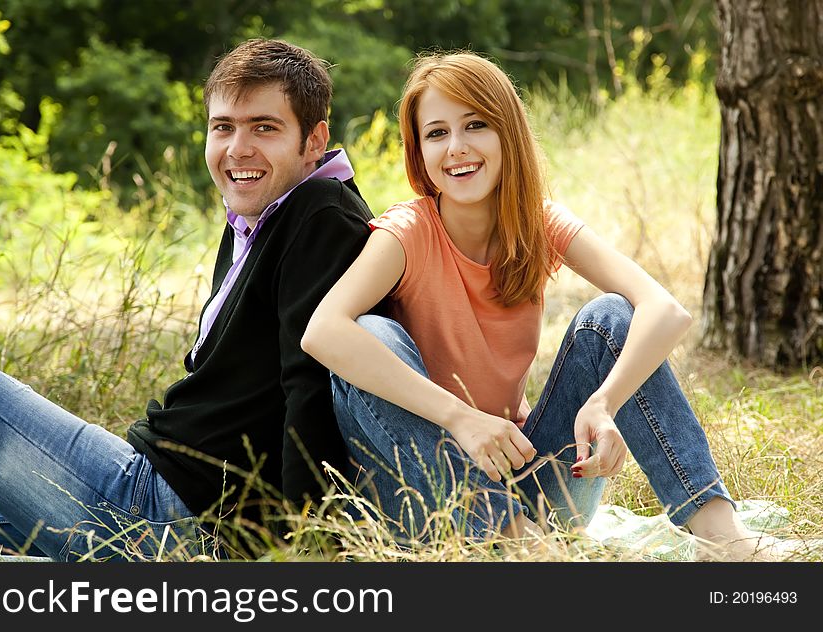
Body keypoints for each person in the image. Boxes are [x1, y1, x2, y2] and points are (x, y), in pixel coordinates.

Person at [301, 52, 790, 560]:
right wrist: (460, 418)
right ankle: (527, 551)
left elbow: (664, 309)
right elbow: (323, 332)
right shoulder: (405, 233)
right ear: (418, 151)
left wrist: (605, 402)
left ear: (507, 132)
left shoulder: (536, 222)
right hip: (427, 497)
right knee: (371, 334)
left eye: (475, 124)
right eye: (437, 133)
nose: (457, 148)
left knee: (611, 318)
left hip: (528, 482)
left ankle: (723, 535)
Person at [0, 38, 375, 560]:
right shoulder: (262, 212)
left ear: (314, 140)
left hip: (162, 508)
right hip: (159, 496)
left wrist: (303, 552)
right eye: (223, 127)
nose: (238, 148)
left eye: (264, 127)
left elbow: (311, 388)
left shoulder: (322, 216)